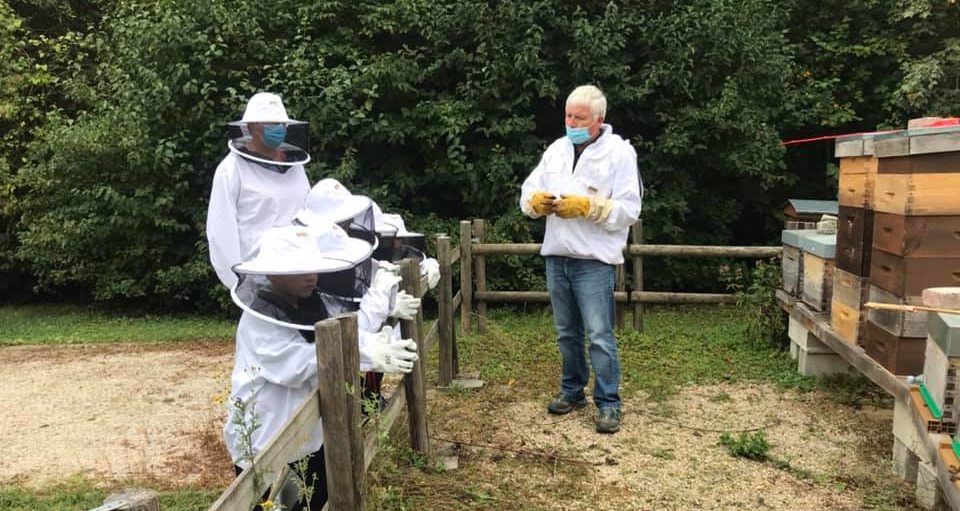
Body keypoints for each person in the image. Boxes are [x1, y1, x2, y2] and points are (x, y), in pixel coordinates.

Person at [224, 223, 419, 510]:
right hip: (265, 440)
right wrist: (367, 352)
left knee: (313, 499)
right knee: (273, 504)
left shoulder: (307, 303)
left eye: (313, 266)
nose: (310, 275)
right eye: (299, 268)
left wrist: (376, 338)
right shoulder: (258, 323)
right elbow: (297, 364)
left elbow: (336, 332)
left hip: (307, 436)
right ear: (271, 273)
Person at [519, 85, 642, 434]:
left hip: (593, 260)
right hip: (557, 256)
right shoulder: (557, 150)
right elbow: (527, 193)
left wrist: (588, 207)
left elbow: (630, 209)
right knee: (565, 333)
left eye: (579, 117)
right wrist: (536, 203)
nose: (571, 122)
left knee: (599, 334)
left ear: (598, 119)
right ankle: (573, 390)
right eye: (568, 115)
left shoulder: (619, 153)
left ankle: (609, 403)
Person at [206, 92, 311, 290]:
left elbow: (308, 212)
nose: (278, 129)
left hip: (299, 271)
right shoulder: (231, 169)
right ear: (251, 126)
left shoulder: (296, 165)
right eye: (270, 124)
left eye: (281, 124)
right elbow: (220, 230)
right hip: (257, 276)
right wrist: (237, 281)